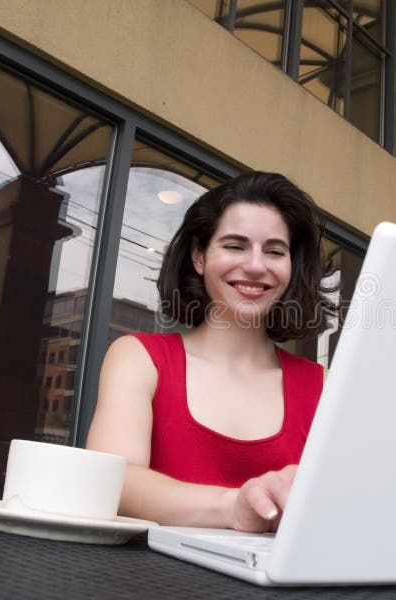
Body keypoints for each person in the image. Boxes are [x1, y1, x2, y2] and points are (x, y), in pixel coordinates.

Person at [86, 171, 336, 532]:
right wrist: (235, 507)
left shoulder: (322, 385)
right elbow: (113, 480)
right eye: (235, 246)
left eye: (275, 251)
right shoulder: (139, 358)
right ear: (199, 257)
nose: (255, 265)